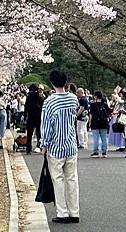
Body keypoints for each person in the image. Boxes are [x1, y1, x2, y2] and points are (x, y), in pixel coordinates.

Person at [40, 70, 80, 225]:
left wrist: (44, 144)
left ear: (52, 83)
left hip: (56, 147)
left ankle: (62, 213)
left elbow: (47, 126)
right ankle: (74, 212)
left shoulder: (49, 102)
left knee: (58, 180)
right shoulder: (73, 99)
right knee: (72, 179)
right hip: (71, 145)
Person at [89, 91, 110, 157]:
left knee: (96, 138)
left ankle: (96, 152)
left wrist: (90, 122)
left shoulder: (93, 104)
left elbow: (91, 114)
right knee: (104, 138)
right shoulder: (105, 104)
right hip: (104, 123)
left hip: (95, 122)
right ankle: (104, 152)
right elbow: (108, 114)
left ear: (95, 96)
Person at [24, 83, 44, 154]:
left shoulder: (28, 97)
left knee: (29, 134)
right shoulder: (40, 97)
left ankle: (28, 148)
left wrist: (25, 115)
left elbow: (26, 107)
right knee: (39, 132)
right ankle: (39, 146)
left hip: (30, 116)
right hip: (38, 116)